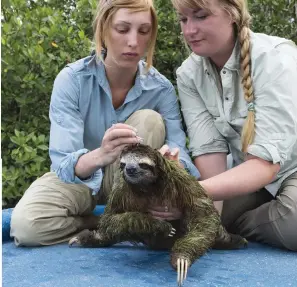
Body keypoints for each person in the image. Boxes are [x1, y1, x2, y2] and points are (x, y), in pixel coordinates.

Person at [10, 0, 199, 247]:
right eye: (122, 29)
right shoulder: (72, 80)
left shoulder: (161, 88)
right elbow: (64, 163)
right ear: (103, 30)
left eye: (143, 31)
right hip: (83, 179)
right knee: (27, 227)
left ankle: (131, 220)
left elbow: (180, 149)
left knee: (148, 120)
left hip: (136, 183)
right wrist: (102, 154)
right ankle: (101, 224)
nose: (133, 42)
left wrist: (175, 163)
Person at [170, 0, 297, 251]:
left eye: (201, 16)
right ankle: (234, 225)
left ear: (232, 14)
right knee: (182, 224)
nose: (189, 30)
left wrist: (191, 193)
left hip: (288, 169)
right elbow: (209, 151)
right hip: (247, 173)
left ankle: (239, 225)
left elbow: (265, 165)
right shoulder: (188, 74)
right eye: (183, 19)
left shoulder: (276, 59)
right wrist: (210, 220)